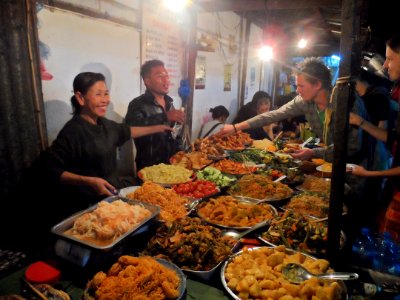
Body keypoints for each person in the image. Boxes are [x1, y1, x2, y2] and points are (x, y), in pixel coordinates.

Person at [16, 72, 171, 247]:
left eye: (106, 93)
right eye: (98, 94)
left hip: (111, 201)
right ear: (80, 98)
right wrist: (88, 181)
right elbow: (47, 169)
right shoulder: (72, 132)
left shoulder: (105, 125)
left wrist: (159, 127)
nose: (105, 99)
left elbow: (128, 131)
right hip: (88, 209)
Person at [220, 57, 368, 165]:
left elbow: (352, 148)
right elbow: (274, 115)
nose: (297, 90)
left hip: (363, 167)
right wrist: (236, 127)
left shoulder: (347, 102)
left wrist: (314, 152)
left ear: (317, 84)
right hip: (336, 163)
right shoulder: (304, 101)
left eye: (301, 86)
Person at [349, 35, 400, 239]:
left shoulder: (378, 96)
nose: (386, 65)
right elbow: (391, 137)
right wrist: (360, 122)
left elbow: (386, 132)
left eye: (390, 58)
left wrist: (368, 174)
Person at [125, 60, 185, 171]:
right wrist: (164, 117)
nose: (166, 80)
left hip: (173, 167)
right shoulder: (138, 104)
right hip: (150, 168)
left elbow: (175, 133)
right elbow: (130, 129)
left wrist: (182, 154)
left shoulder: (169, 103)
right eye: (160, 76)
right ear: (147, 81)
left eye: (166, 75)